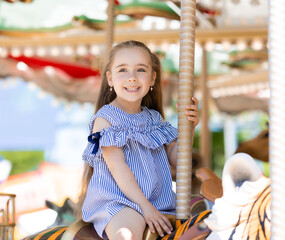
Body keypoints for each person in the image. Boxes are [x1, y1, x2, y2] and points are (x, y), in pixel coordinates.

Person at [79, 40, 199, 240]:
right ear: (110, 78)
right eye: (123, 70)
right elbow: (119, 169)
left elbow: (178, 159)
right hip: (120, 202)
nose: (132, 78)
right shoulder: (105, 119)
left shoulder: (154, 119)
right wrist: (145, 207)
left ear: (153, 78)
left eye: (141, 70)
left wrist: (189, 128)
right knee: (127, 235)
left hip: (159, 201)